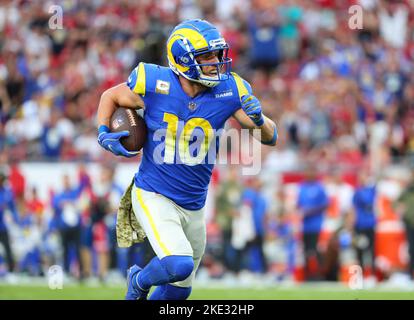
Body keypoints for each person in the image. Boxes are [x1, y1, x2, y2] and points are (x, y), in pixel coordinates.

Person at [96, 19, 278, 300]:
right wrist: (103, 131)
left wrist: (259, 120)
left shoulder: (229, 90)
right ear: (183, 59)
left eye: (217, 54)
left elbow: (270, 136)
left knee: (179, 293)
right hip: (154, 194)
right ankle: (139, 280)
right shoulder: (155, 82)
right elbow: (110, 96)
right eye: (206, 56)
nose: (215, 62)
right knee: (178, 264)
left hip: (194, 205)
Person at [297, 165, 328, 281]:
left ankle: (321, 274)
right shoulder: (302, 187)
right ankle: (307, 274)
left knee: (316, 250)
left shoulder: (319, 187)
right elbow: (299, 204)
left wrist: (310, 211)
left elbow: (324, 204)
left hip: (316, 224)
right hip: (305, 225)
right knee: (306, 250)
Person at [0, 171, 19, 273]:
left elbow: (12, 208)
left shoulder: (7, 193)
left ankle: (11, 270)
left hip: (2, 226)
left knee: (8, 249)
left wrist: (16, 220)